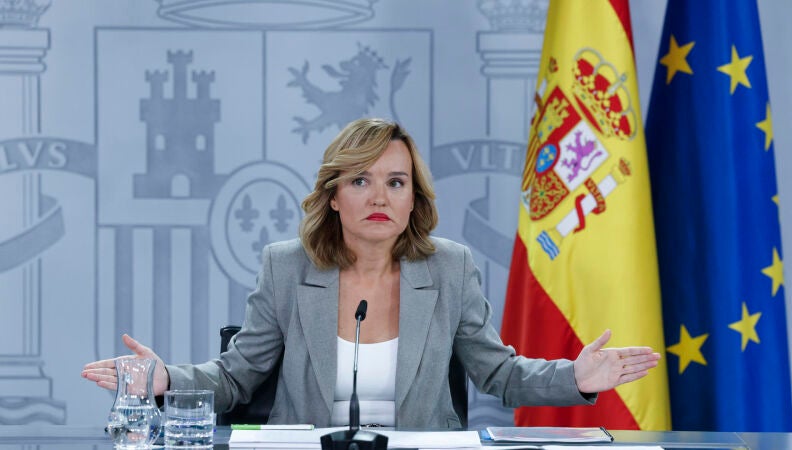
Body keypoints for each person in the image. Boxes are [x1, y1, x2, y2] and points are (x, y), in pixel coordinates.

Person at [82, 118, 660, 429]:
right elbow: (235, 379)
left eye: (395, 182)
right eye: (360, 180)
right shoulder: (286, 267)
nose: (379, 196)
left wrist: (577, 376)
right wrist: (165, 379)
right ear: (333, 197)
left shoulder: (450, 268)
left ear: (413, 199)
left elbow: (500, 375)